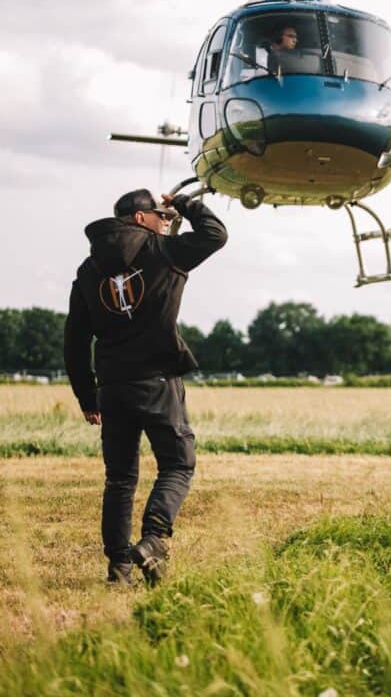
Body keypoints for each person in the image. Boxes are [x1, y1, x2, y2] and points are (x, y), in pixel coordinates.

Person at [64, 188, 227, 585]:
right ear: (141, 219)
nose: (167, 222)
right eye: (163, 216)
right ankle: (154, 539)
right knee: (177, 463)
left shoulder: (88, 270)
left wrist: (88, 395)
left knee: (120, 477)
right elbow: (215, 234)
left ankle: (119, 568)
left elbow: (73, 340)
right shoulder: (163, 251)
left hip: (113, 387)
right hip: (157, 381)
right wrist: (186, 202)